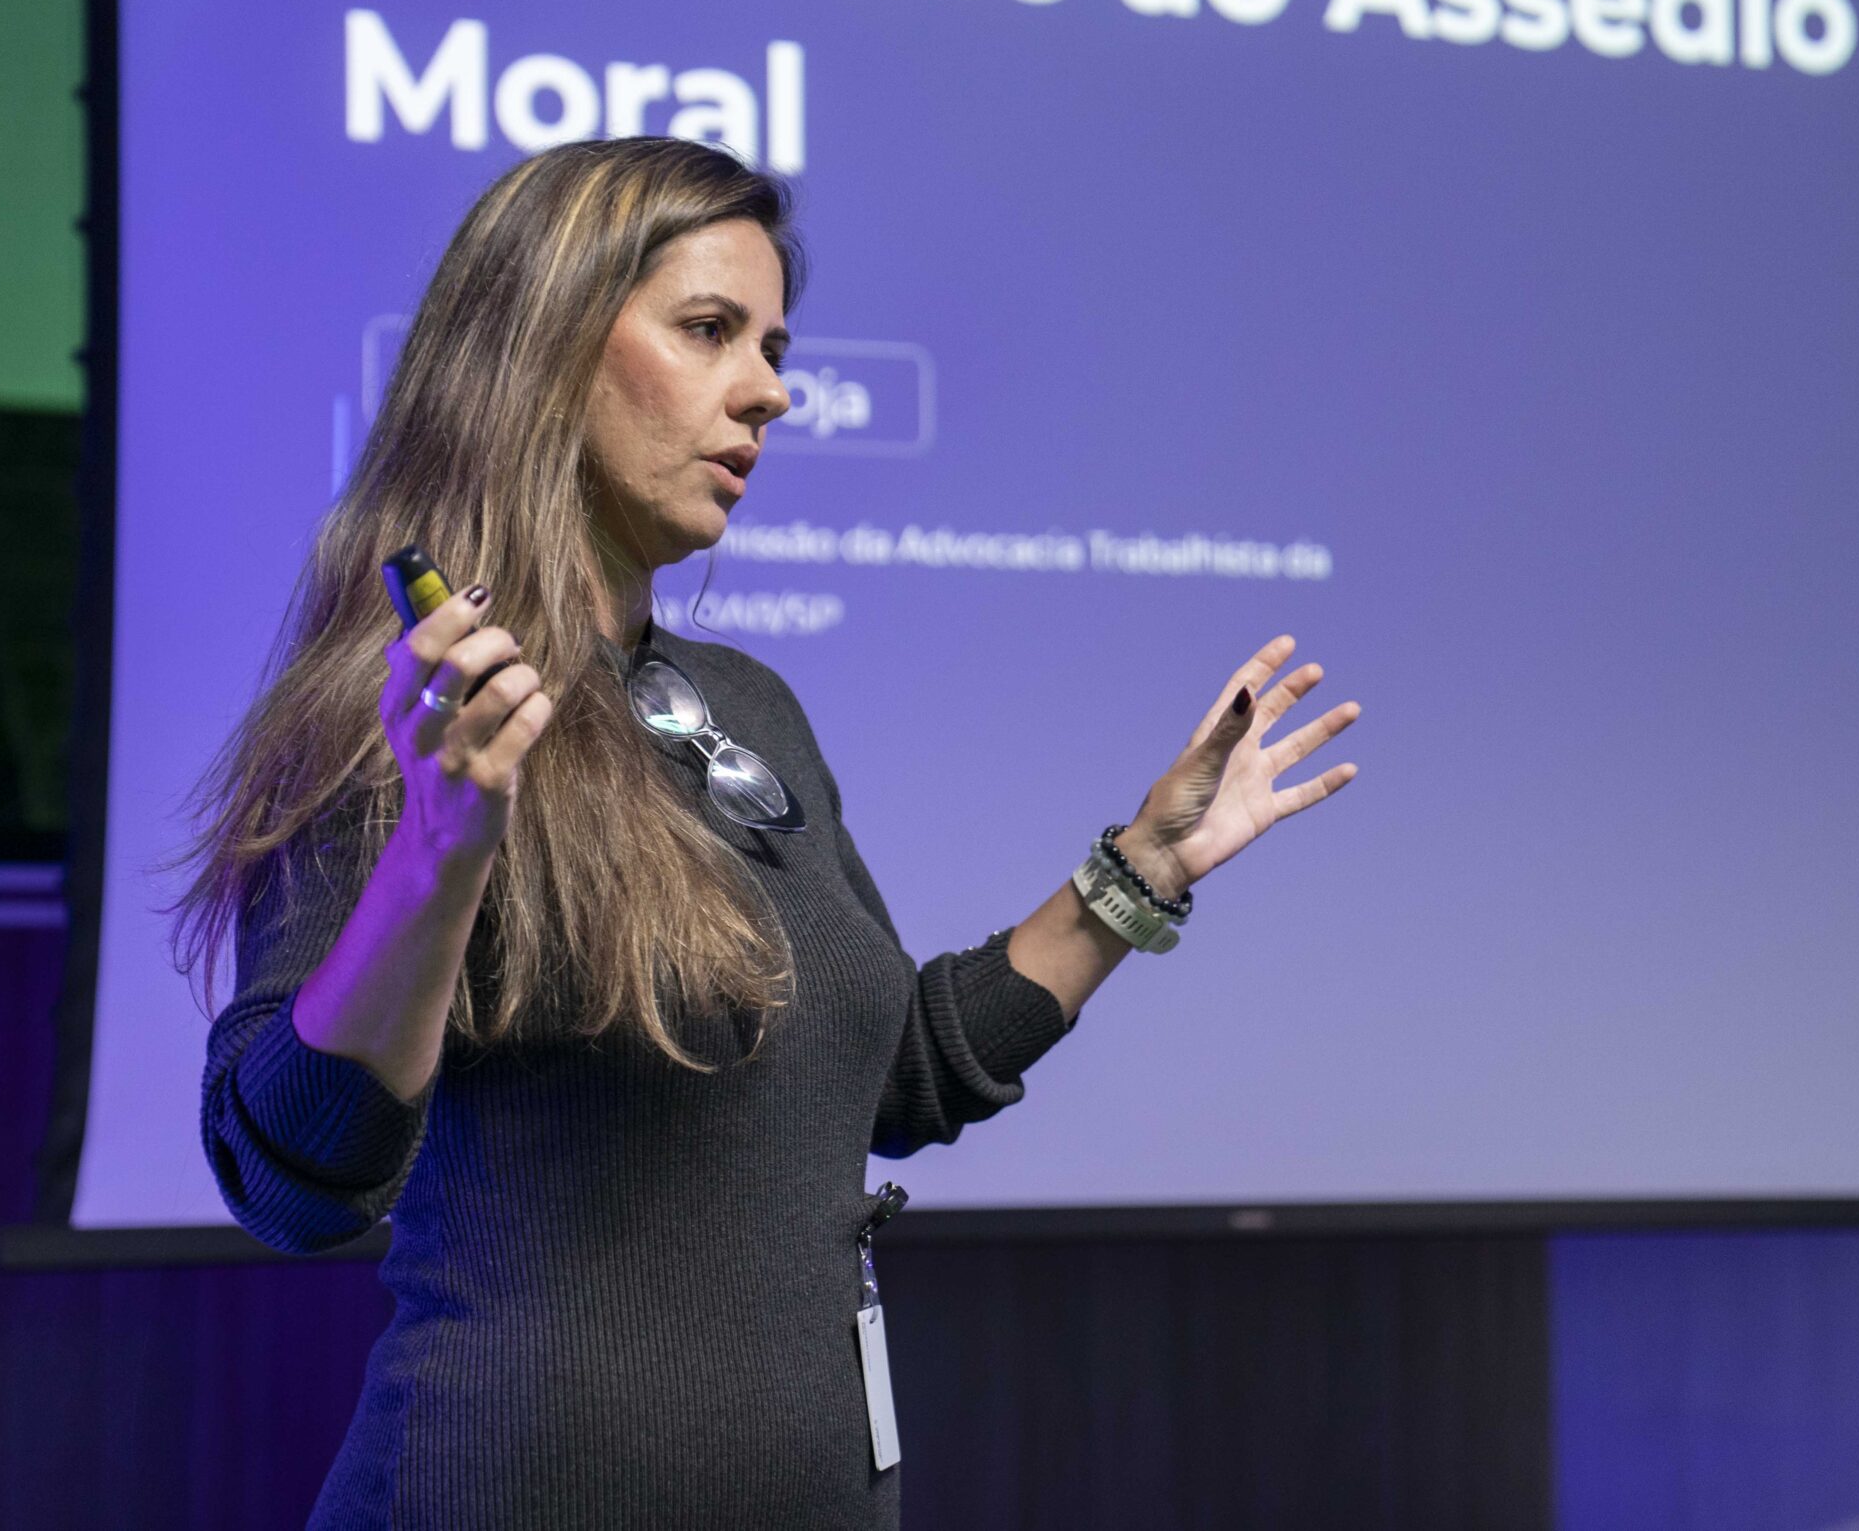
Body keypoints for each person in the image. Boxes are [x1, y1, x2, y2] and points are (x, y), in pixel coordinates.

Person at [173, 137, 1360, 1530]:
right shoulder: (418, 719)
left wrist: (1135, 879)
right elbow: (289, 1177)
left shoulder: (743, 705)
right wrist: (443, 854)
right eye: (707, 331)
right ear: (542, 347)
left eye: (773, 344)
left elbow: (891, 1077)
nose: (770, 391)